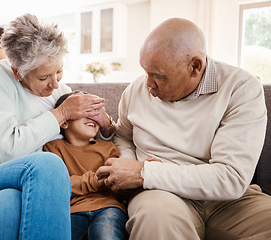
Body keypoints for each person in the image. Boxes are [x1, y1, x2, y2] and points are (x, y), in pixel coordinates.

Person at [0, 13, 114, 240]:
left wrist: (107, 126)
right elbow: (4, 149)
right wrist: (60, 114)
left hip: (19, 193)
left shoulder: (62, 93)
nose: (55, 84)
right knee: (49, 164)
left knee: (4, 206)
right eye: (43, 78)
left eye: (59, 71)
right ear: (17, 72)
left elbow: (93, 143)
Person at [96, 18, 271, 240]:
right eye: (146, 72)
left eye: (157, 76)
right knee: (155, 219)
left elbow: (230, 178)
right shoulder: (136, 90)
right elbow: (123, 136)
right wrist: (128, 167)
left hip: (229, 202)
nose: (148, 84)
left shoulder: (241, 89)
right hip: (161, 195)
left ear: (195, 67)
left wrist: (143, 172)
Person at [44, 91, 128, 240]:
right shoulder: (53, 148)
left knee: (106, 234)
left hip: (108, 208)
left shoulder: (108, 148)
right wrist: (95, 180)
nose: (92, 117)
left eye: (94, 113)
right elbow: (58, 186)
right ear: (64, 122)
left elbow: (119, 187)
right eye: (84, 112)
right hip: (71, 211)